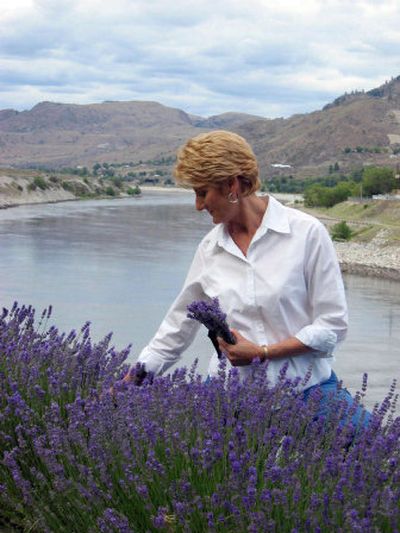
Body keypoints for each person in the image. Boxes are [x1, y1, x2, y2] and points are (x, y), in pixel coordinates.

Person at [123, 130, 370, 427]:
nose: (198, 205)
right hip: (228, 400)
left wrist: (262, 353)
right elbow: (177, 327)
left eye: (203, 192)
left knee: (382, 456)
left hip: (309, 393)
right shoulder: (209, 249)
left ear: (232, 184)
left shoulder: (307, 234)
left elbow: (333, 326)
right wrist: (127, 385)